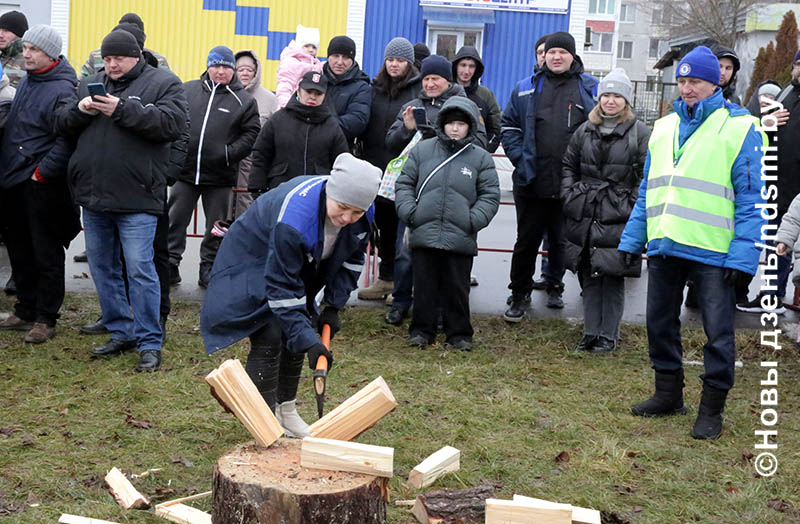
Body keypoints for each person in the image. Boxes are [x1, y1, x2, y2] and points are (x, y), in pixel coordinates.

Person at [618, 46, 765, 440]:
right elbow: (649, 190)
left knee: (718, 333)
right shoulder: (663, 127)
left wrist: (745, 256)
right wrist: (633, 238)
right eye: (682, 81)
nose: (686, 88)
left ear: (716, 82)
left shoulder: (740, 127)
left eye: (695, 81)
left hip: (715, 253)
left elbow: (753, 200)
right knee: (659, 324)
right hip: (666, 244)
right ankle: (668, 395)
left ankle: (711, 410)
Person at [201, 154, 381, 437]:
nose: (347, 219)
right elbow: (282, 287)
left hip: (296, 261)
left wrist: (333, 305)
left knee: (304, 325)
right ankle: (263, 417)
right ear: (329, 193)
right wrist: (309, 343)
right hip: (253, 257)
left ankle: (287, 410)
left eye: (356, 213)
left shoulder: (363, 213)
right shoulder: (295, 218)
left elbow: (351, 259)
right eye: (343, 208)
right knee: (272, 332)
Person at [55, 29, 189, 372]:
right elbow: (63, 125)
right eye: (107, 58)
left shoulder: (164, 82)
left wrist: (121, 109)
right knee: (102, 268)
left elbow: (171, 125)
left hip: (138, 197)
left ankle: (149, 341)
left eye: (119, 58)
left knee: (141, 271)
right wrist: (82, 110)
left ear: (136, 56)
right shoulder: (89, 84)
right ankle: (120, 330)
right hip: (94, 196)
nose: (112, 65)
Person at [501, 32, 598, 322]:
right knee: (526, 242)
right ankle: (519, 294)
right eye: (552, 52)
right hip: (532, 181)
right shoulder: (525, 88)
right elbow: (509, 126)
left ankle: (555, 286)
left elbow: (599, 131)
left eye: (563, 53)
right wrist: (521, 159)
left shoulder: (588, 87)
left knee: (560, 241)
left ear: (572, 56)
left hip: (570, 184)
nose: (556, 57)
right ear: (544, 56)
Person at [384, 54, 487, 326]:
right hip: (418, 192)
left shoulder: (466, 106)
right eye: (426, 78)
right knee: (404, 252)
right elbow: (391, 145)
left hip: (454, 193)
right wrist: (406, 130)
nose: (429, 84)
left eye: (435, 79)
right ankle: (401, 301)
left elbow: (482, 144)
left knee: (446, 258)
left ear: (447, 80)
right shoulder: (411, 106)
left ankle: (441, 311)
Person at [395, 96, 499, 350]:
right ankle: (421, 330)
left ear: (470, 126)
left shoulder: (481, 158)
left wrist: (472, 220)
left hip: (460, 234)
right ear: (442, 124)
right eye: (451, 123)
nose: (455, 128)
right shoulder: (422, 150)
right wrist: (412, 213)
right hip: (424, 230)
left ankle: (460, 334)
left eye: (461, 124)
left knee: (457, 287)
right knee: (424, 286)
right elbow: (405, 183)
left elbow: (490, 194)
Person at [0, 25, 80, 343]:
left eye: (33, 49)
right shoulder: (30, 81)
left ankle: (46, 318)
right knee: (19, 250)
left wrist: (42, 172)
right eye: (26, 48)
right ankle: (25, 308)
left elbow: (66, 138)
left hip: (40, 185)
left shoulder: (63, 89)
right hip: (13, 181)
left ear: (50, 53)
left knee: (45, 252)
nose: (26, 54)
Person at [560, 68, 650, 353]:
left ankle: (608, 335)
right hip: (585, 211)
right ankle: (590, 332)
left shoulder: (640, 132)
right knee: (587, 273)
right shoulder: (584, 130)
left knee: (612, 275)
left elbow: (646, 175)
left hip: (618, 215)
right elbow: (569, 166)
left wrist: (630, 204)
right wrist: (570, 195)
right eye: (606, 95)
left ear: (627, 100)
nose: (611, 101)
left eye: (617, 96)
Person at [167, 46, 260, 289]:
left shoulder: (245, 100)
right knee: (174, 220)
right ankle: (170, 263)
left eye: (226, 66)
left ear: (233, 70)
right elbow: (174, 121)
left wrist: (229, 153)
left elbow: (252, 134)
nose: (220, 71)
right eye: (216, 65)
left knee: (217, 226)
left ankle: (209, 266)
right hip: (185, 174)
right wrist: (177, 151)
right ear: (208, 66)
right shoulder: (188, 90)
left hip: (220, 177)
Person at [357, 37, 420, 302]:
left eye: (400, 60)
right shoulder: (375, 89)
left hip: (404, 172)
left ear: (410, 63)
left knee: (400, 231)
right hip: (375, 168)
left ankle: (403, 284)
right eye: (390, 59)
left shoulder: (417, 92)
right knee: (381, 227)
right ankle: (385, 278)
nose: (394, 65)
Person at [737, 52, 800, 314]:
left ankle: (773, 296)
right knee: (773, 241)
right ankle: (769, 295)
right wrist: (766, 123)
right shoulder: (787, 93)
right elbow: (765, 131)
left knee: (782, 243)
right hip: (774, 181)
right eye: (798, 64)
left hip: (795, 189)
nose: (799, 70)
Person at [248, 70, 348, 193]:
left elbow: (342, 164)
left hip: (317, 194)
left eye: (318, 93)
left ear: (325, 95)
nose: (312, 96)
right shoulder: (278, 120)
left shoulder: (332, 127)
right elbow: (261, 155)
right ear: (299, 91)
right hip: (280, 192)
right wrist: (257, 188)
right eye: (308, 91)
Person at [233, 49, 279, 217]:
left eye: (249, 69)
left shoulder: (270, 99)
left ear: (256, 72)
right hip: (225, 164)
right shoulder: (225, 95)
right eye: (240, 69)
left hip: (254, 165)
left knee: (247, 209)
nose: (245, 73)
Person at [80, 12, 169, 77]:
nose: (113, 65)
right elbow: (81, 85)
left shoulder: (156, 59)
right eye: (107, 60)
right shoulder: (158, 58)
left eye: (119, 59)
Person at [322, 35, 371, 148]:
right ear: (328, 57)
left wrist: (321, 127)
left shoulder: (361, 87)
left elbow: (357, 121)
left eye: (345, 57)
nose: (340, 62)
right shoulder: (316, 81)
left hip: (342, 150)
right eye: (335, 56)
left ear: (352, 60)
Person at [451, 46, 502, 152]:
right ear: (455, 66)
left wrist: (485, 150)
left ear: (477, 69)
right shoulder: (446, 91)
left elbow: (496, 128)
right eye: (463, 65)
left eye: (471, 66)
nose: (466, 71)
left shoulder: (486, 95)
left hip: (476, 154)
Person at [275, 24, 322, 108]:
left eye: (314, 47)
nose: (311, 50)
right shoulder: (291, 62)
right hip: (291, 107)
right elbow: (285, 85)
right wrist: (287, 106)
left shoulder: (317, 65)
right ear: (299, 46)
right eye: (306, 46)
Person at [0, 10, 28, 87]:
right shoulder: (2, 56)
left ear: (19, 34)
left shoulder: (29, 60)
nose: (0, 35)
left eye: (6, 30)